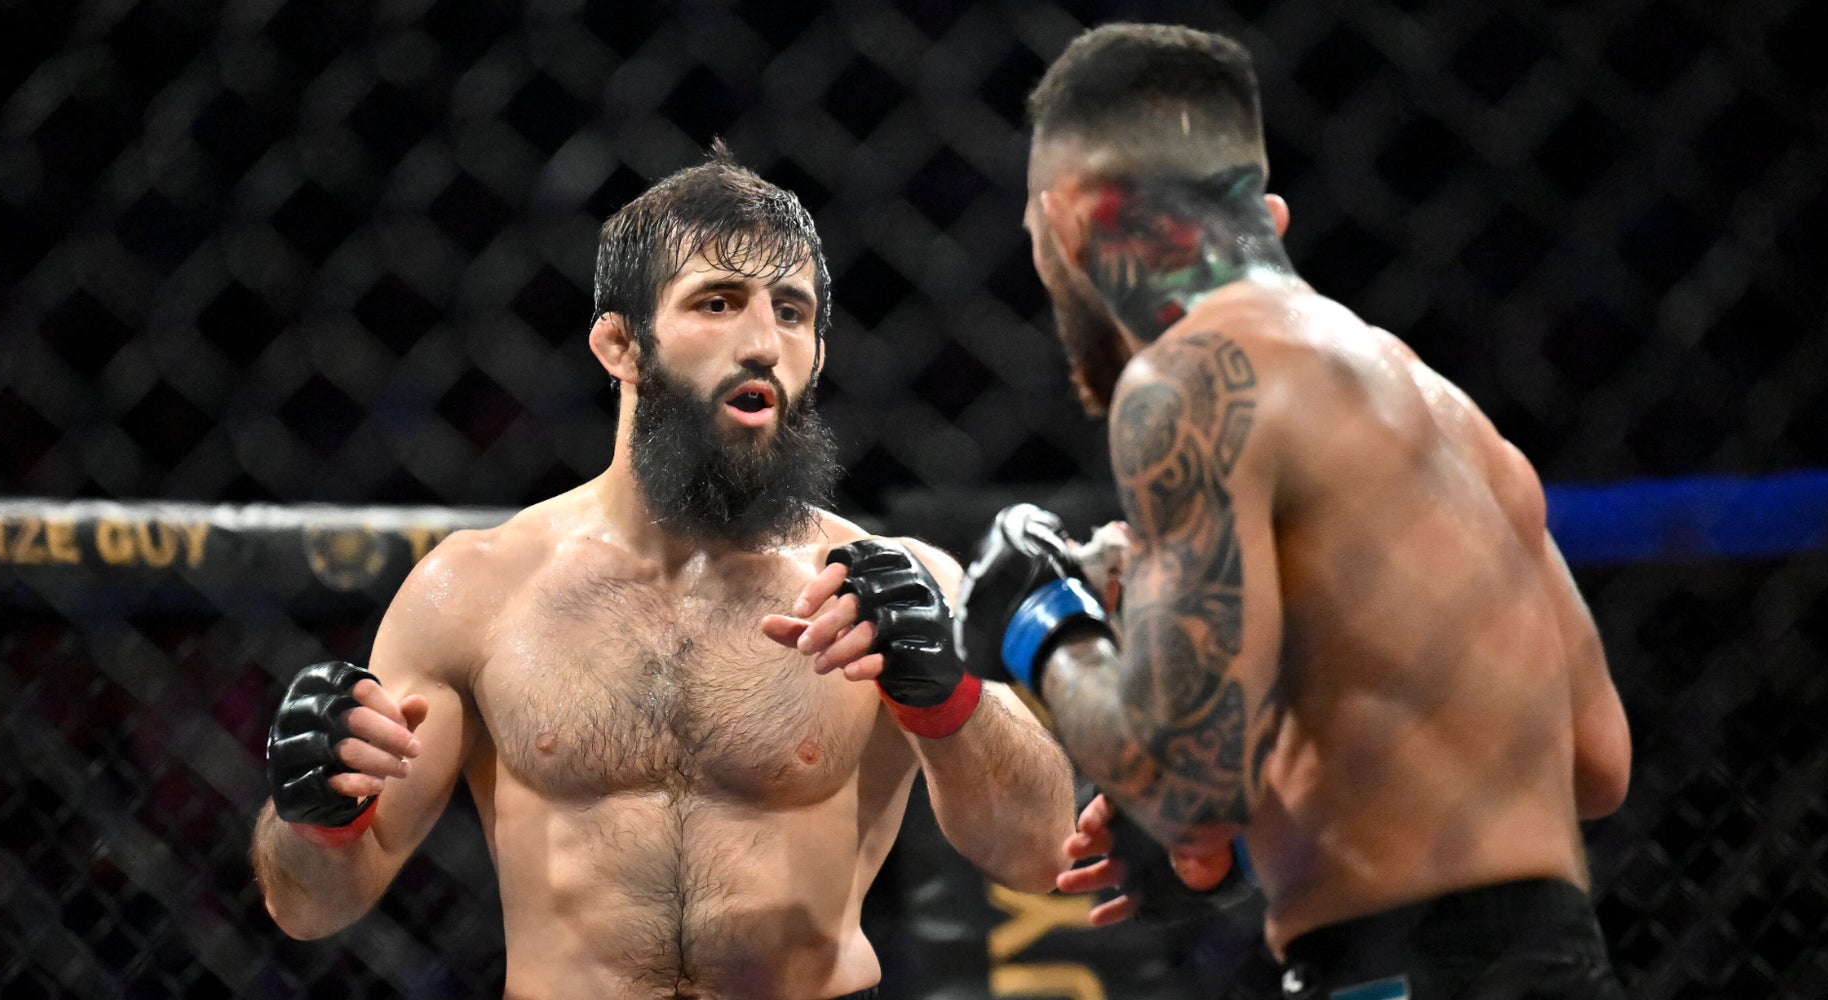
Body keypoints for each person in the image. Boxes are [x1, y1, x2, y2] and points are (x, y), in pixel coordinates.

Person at [790, 23, 1632, 1000]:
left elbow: (1183, 787)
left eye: (1034, 238)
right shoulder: (1449, 414)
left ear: (1073, 224)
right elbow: (1593, 761)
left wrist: (1040, 622)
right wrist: (1263, 832)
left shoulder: (1190, 377)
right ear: (1261, 212)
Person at [251, 147, 1075, 1000]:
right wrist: (312, 814)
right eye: (717, 303)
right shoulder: (478, 589)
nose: (762, 342)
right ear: (620, 344)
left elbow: (1041, 854)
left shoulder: (890, 587)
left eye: (792, 314)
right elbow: (309, 908)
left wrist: (949, 698)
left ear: (818, 355)